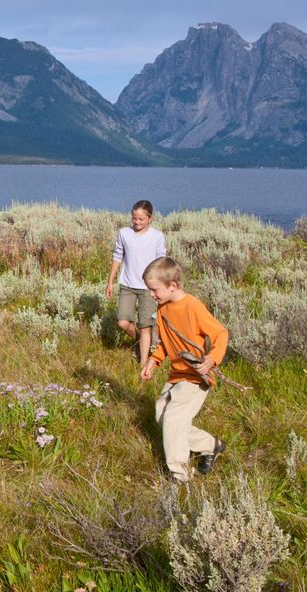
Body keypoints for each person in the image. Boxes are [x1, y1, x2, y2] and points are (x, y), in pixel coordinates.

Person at [139, 257, 229, 482]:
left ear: (172, 286)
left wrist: (213, 358)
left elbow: (221, 333)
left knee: (173, 421)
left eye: (154, 290)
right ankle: (211, 445)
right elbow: (163, 343)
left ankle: (180, 475)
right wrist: (154, 360)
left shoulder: (193, 306)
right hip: (177, 374)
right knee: (162, 416)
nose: (151, 295)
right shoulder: (162, 309)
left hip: (196, 376)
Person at [105, 200, 167, 366]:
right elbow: (117, 257)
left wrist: (161, 287)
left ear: (150, 218)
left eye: (141, 219)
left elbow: (161, 262)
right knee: (123, 322)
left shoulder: (157, 237)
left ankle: (143, 364)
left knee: (145, 325)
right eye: (134, 218)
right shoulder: (124, 233)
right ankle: (141, 341)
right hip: (127, 285)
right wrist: (110, 282)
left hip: (149, 288)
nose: (137, 222)